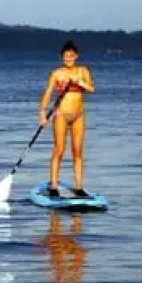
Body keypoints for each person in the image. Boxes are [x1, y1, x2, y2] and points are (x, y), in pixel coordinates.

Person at [40, 39, 94, 196]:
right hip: (61, 115)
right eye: (65, 56)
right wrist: (42, 113)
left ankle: (79, 187)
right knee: (59, 150)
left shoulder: (83, 71)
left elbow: (91, 88)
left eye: (71, 56)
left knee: (78, 152)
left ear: (76, 56)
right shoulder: (57, 73)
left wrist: (80, 82)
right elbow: (48, 93)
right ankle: (54, 187)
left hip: (78, 116)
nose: (68, 59)